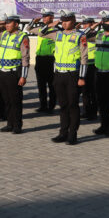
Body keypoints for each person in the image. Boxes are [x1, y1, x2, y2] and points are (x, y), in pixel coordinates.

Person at [39, 10, 88, 145]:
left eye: (67, 20)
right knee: (63, 105)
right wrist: (51, 25)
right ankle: (63, 132)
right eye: (63, 20)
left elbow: (84, 58)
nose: (65, 23)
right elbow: (40, 33)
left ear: (73, 21)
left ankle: (73, 134)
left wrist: (82, 77)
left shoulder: (80, 35)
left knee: (72, 104)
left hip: (73, 74)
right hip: (59, 74)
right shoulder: (57, 33)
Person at [0, 15, 30, 133]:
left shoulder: (22, 37)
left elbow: (25, 57)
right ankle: (9, 124)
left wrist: (23, 76)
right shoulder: (4, 34)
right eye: (5, 23)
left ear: (16, 24)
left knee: (15, 100)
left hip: (14, 73)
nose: (6, 25)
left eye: (9, 23)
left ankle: (17, 125)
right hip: (3, 72)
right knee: (6, 100)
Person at [26, 8, 56, 113]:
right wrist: (33, 22)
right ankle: (43, 106)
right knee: (41, 84)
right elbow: (28, 29)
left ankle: (51, 107)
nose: (43, 18)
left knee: (52, 85)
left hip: (50, 59)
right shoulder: (40, 29)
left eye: (46, 16)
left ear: (52, 17)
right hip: (39, 59)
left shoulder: (56, 30)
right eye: (43, 16)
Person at [79, 16, 97, 120]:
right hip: (84, 64)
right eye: (84, 24)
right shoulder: (83, 34)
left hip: (93, 65)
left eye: (87, 24)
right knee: (85, 90)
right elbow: (83, 34)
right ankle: (86, 111)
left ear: (92, 24)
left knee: (93, 91)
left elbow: (85, 34)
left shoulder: (96, 34)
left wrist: (92, 28)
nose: (84, 25)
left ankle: (93, 112)